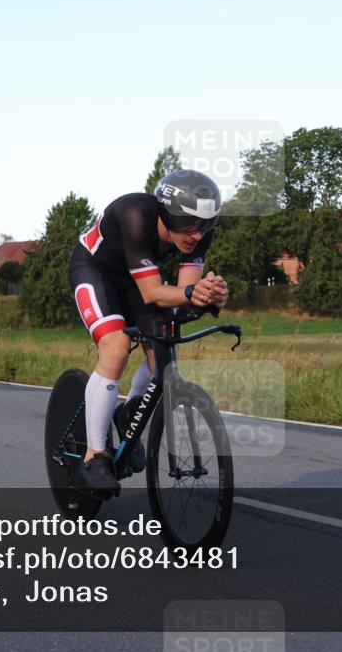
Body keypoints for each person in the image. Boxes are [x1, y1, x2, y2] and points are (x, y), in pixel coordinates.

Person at [67, 169, 229, 492]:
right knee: (116, 347)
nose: (196, 235)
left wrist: (211, 296)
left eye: (204, 226)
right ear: (166, 213)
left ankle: (130, 412)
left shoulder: (197, 234)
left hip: (136, 282)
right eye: (187, 224)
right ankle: (93, 456)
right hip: (96, 272)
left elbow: (185, 297)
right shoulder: (135, 214)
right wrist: (190, 294)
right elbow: (154, 293)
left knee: (164, 350)